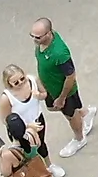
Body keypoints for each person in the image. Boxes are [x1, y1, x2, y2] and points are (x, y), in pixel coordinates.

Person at [34, 17, 94, 152]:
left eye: (37, 37)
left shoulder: (60, 54)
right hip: (50, 86)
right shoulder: (43, 43)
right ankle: (86, 113)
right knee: (57, 108)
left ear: (48, 33)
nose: (34, 39)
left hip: (62, 91)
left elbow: (70, 76)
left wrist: (62, 98)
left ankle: (79, 139)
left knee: (70, 115)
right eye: (32, 35)